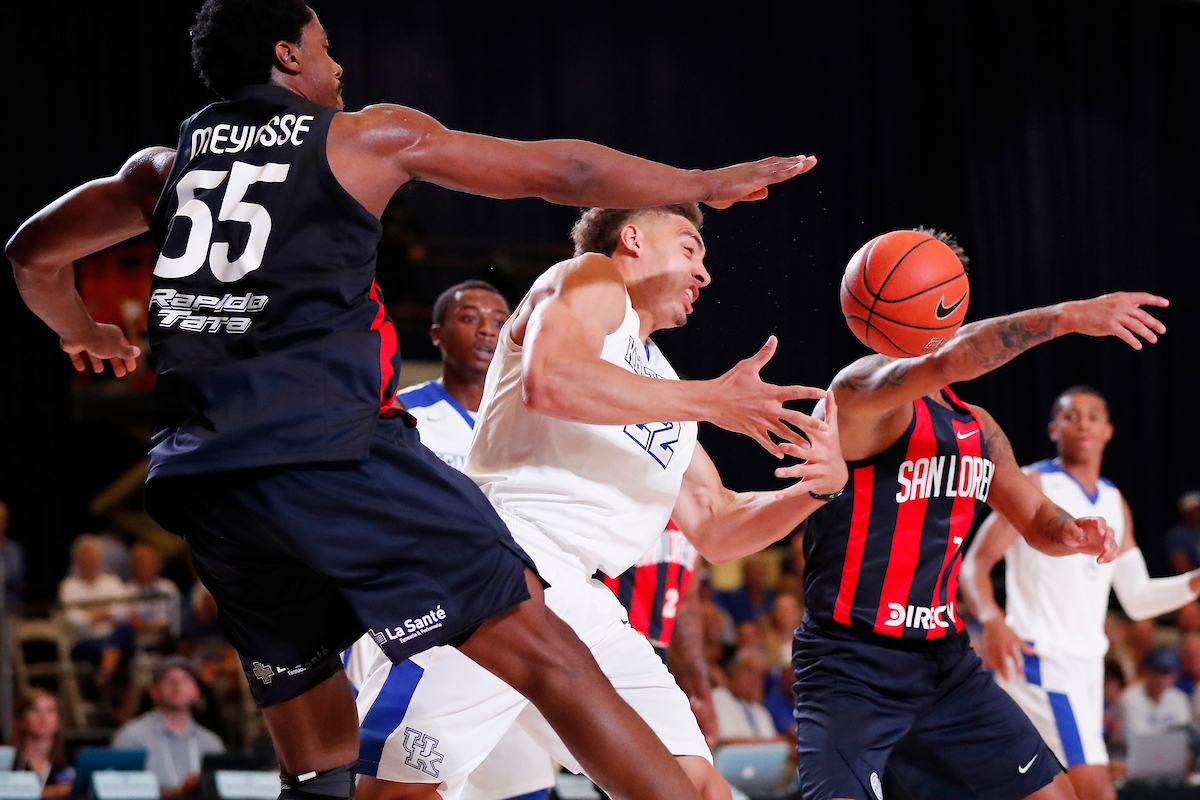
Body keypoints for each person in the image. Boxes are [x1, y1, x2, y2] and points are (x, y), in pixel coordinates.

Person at [5, 0, 820, 796]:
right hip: (334, 450)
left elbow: (31, 255)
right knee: (551, 654)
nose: (339, 67)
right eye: (324, 47)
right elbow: (562, 172)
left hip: (207, 483)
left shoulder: (162, 167)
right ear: (288, 57)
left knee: (317, 759)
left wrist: (85, 331)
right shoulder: (361, 138)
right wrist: (700, 183)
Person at [351, 203, 846, 800]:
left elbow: (716, 525)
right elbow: (552, 380)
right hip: (500, 564)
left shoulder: (664, 386)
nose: (704, 273)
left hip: (586, 600)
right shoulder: (590, 277)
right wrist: (712, 400)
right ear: (632, 238)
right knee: (394, 790)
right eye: (688, 248)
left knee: (693, 787)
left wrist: (813, 489)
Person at [793, 229, 1167, 800]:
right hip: (851, 662)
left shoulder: (977, 428)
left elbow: (1034, 517)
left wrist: (1071, 530)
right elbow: (951, 358)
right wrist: (1067, 316)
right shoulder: (859, 392)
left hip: (944, 662)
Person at [344, 280, 557, 800]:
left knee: (520, 784)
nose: (487, 329)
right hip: (416, 617)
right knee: (393, 779)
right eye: (469, 317)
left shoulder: (539, 423)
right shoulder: (401, 415)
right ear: (437, 334)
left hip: (508, 616)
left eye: (499, 319)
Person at [961, 386, 1200, 800]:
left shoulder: (1114, 501)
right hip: (1043, 662)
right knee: (1097, 792)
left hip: (1087, 669)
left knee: (1058, 792)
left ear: (1108, 430)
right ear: (1054, 429)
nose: (1083, 424)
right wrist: (993, 621)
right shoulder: (1034, 483)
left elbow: (1137, 597)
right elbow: (974, 565)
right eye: (1072, 416)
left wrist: (1194, 581)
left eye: (1093, 416)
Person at [113, 656, 226, 798]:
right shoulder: (131, 736)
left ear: (196, 692)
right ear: (153, 692)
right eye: (168, 680)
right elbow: (119, 791)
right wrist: (178, 792)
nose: (177, 685)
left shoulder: (211, 742)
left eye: (185, 679)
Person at [58, 535, 134, 686]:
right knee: (118, 651)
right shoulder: (69, 586)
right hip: (85, 641)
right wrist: (108, 613)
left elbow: (125, 612)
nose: (92, 561)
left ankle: (105, 673)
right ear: (77, 560)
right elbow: (74, 620)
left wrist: (93, 614)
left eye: (94, 557)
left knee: (124, 631)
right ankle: (108, 677)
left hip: (114, 636)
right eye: (87, 558)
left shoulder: (112, 582)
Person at [9, 689, 75, 796]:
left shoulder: (71, 760)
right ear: (21, 720)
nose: (43, 717)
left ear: (58, 720)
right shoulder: (8, 760)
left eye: (50, 710)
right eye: (34, 710)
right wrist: (52, 791)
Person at [711, 650, 784, 745]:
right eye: (750, 672)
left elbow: (777, 745)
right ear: (734, 670)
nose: (755, 680)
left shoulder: (760, 711)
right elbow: (726, 742)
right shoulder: (716, 698)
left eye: (760, 675)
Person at [1117, 647, 1193, 737]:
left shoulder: (1179, 698)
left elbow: (1184, 735)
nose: (1161, 679)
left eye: (1166, 673)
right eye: (1156, 672)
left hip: (1173, 745)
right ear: (1146, 672)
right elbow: (1139, 738)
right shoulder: (1130, 698)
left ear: (1174, 675)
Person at [127, 544, 183, 653]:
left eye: (147, 563)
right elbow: (133, 625)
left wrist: (146, 625)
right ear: (133, 567)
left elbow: (174, 621)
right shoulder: (128, 591)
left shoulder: (168, 587)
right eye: (139, 564)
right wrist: (159, 624)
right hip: (137, 646)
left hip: (166, 644)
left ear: (157, 566)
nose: (143, 568)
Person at [1167, 492, 1200, 574]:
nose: (1198, 512)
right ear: (1186, 512)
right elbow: (1182, 568)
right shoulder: (1177, 536)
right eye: (1196, 509)